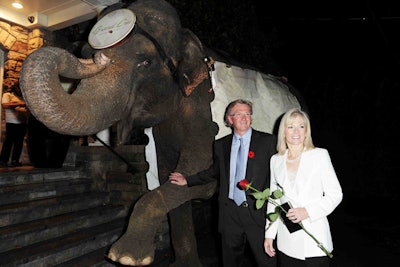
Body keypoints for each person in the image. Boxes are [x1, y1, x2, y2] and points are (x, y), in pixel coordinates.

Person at [169, 99, 277, 267]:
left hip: (258, 212)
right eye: (238, 114)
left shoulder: (268, 142)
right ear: (229, 119)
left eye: (247, 113)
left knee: (266, 260)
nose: (244, 117)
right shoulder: (221, 145)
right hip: (230, 213)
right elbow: (214, 171)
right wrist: (187, 180)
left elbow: (279, 174)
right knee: (230, 261)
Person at [264, 108, 343, 267]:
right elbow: (274, 199)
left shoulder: (319, 155)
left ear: (306, 131)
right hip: (287, 240)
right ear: (283, 131)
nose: (296, 131)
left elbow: (335, 194)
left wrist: (308, 211)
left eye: (301, 126)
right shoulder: (276, 160)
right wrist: (269, 234)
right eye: (290, 126)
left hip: (314, 239)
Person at [0, 83, 29, 167]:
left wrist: (18, 103)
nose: (20, 90)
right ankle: (3, 160)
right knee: (8, 142)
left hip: (22, 122)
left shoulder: (24, 97)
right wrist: (21, 104)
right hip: (11, 122)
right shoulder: (7, 95)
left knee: (19, 143)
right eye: (19, 88)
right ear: (15, 88)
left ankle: (15, 160)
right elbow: (5, 105)